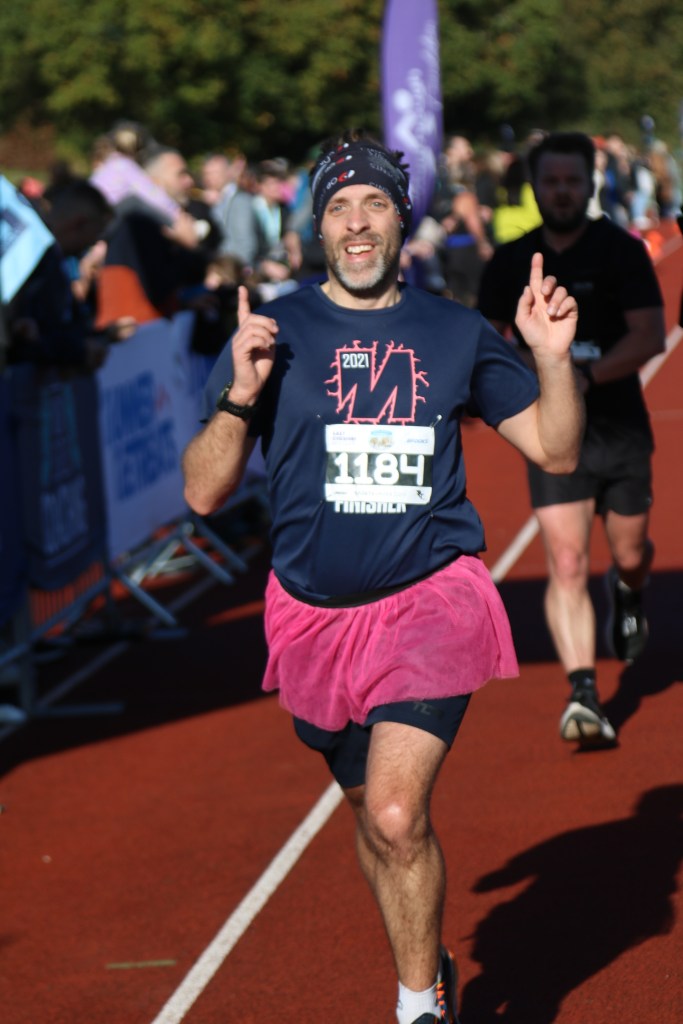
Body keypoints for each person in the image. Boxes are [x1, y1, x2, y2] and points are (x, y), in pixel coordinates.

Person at [182, 130, 583, 1024]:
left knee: (397, 815)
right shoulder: (272, 333)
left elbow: (555, 450)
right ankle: (424, 958)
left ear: (401, 221)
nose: (357, 224)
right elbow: (204, 492)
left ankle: (416, 1006)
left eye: (374, 205)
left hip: (428, 599)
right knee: (375, 819)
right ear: (317, 227)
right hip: (311, 617)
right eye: (339, 208)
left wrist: (552, 359)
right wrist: (241, 394)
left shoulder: (453, 332)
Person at [478, 131, 666, 747]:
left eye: (572, 181)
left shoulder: (622, 251)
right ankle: (584, 692)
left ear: (590, 185)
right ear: (535, 187)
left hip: (620, 428)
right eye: (551, 181)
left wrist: (584, 375)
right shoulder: (511, 260)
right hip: (555, 435)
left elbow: (650, 336)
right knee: (565, 560)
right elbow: (486, 340)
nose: (561, 191)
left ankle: (629, 591)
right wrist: (532, 373)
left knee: (630, 553)